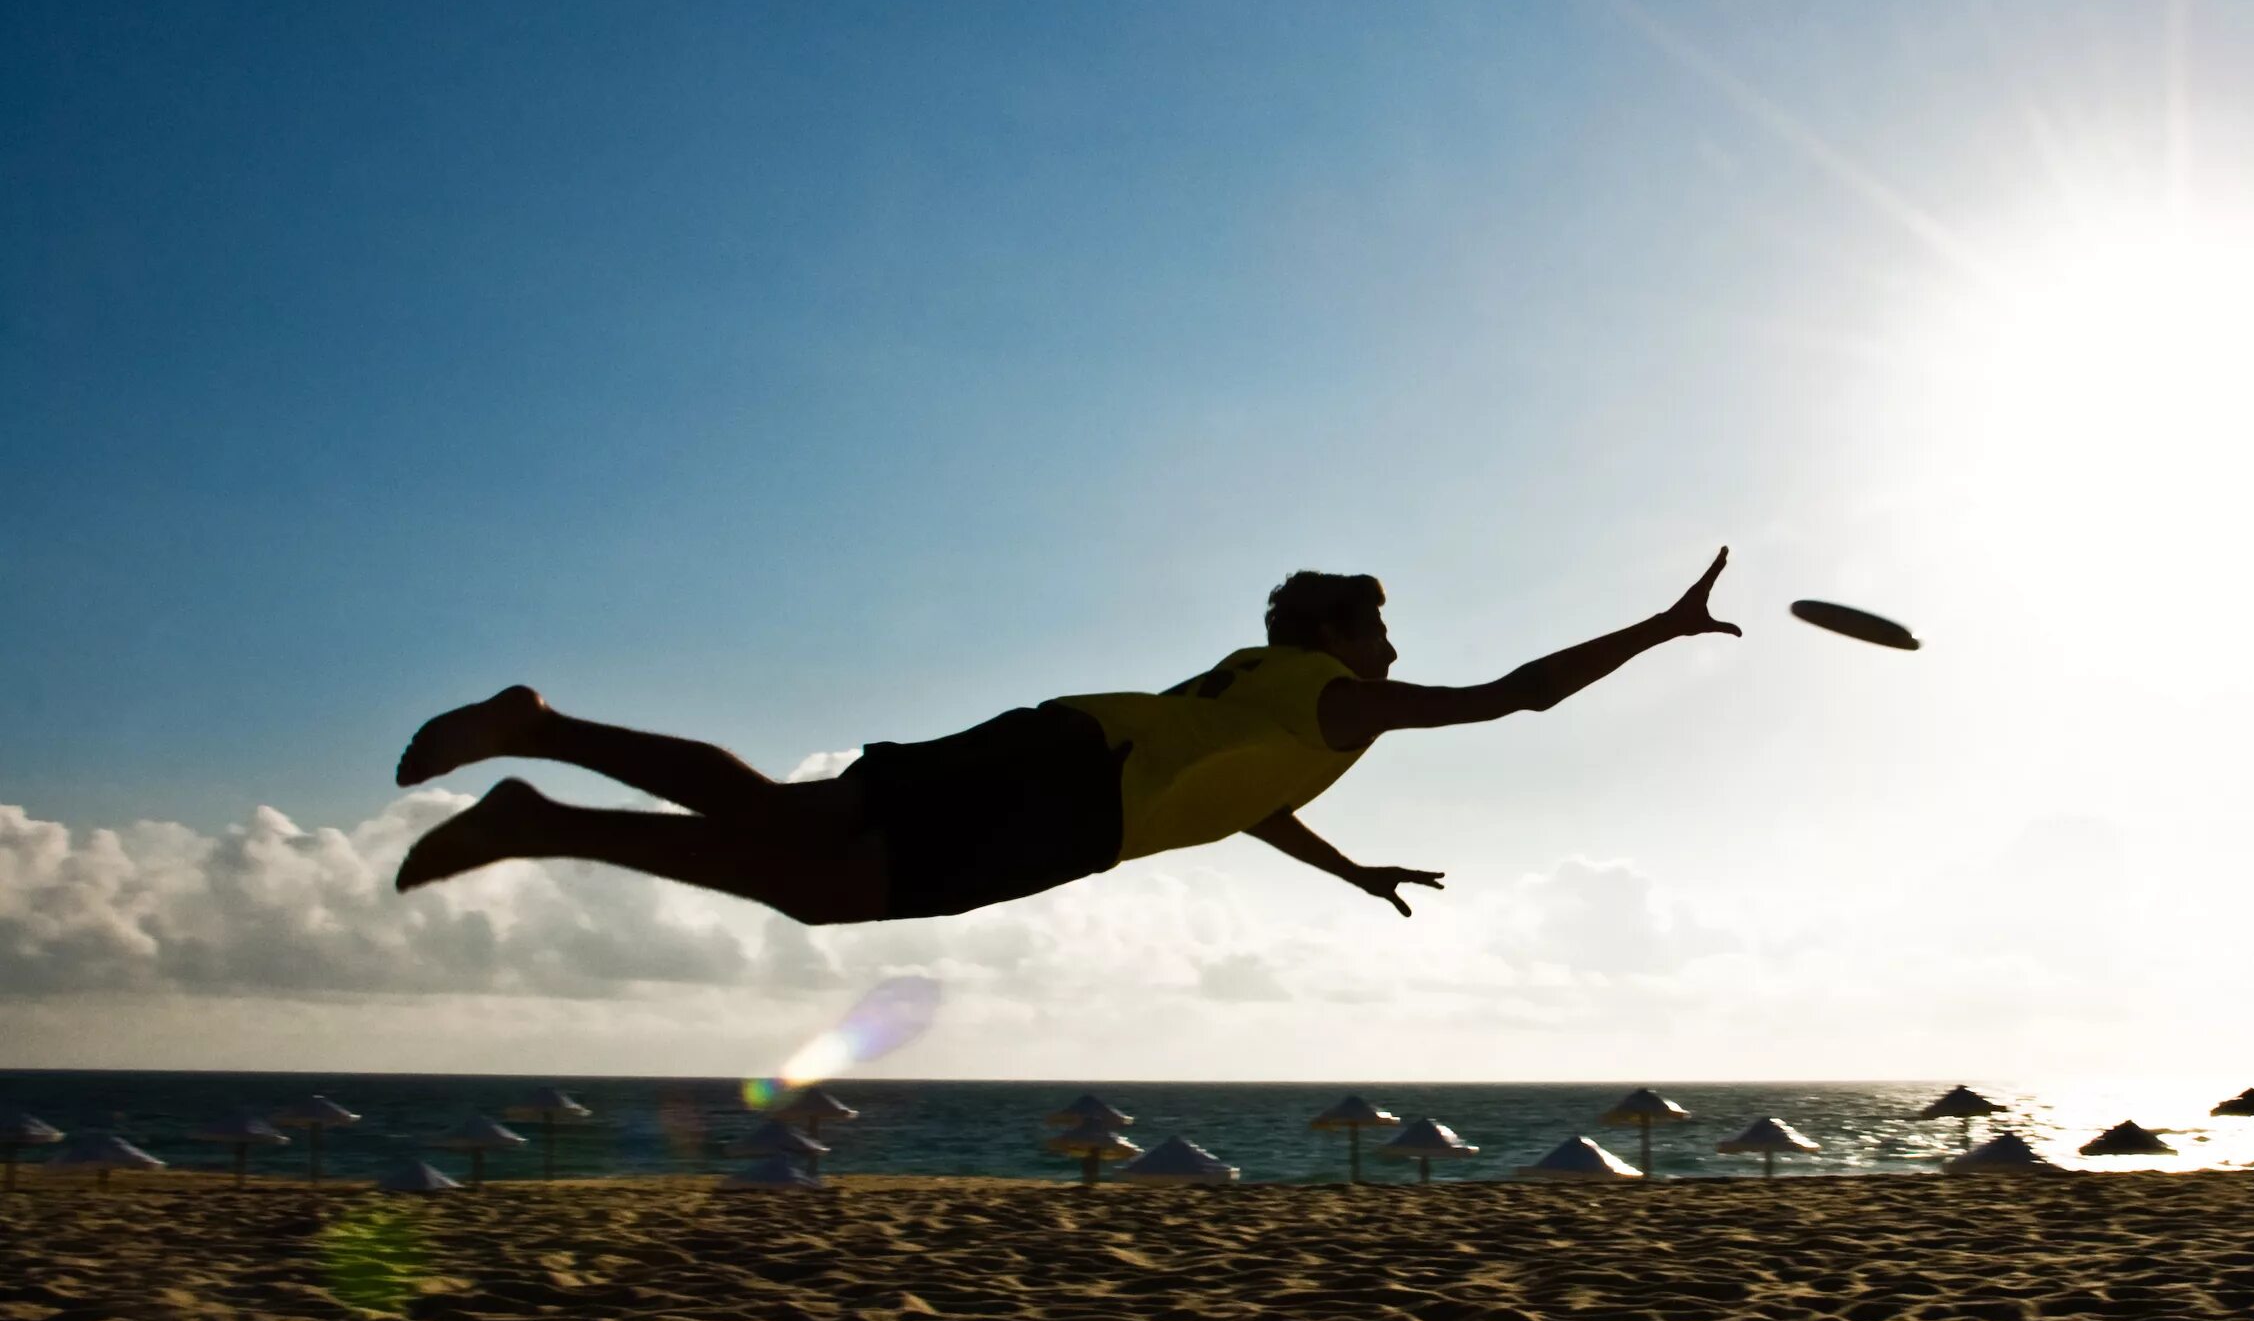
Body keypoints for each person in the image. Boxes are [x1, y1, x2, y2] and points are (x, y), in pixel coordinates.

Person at [393, 549, 1739, 925]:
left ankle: (541, 807)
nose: (1393, 648)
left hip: (1070, 767)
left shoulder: (1274, 694)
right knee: (811, 860)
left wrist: (1355, 874)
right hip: (1069, 796)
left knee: (811, 871)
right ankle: (545, 753)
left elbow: (1238, 800)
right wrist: (1662, 628)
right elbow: (1519, 697)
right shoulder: (1340, 698)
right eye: (1375, 629)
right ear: (1336, 640)